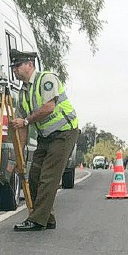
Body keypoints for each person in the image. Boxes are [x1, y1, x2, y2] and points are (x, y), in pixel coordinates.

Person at [8, 50, 80, 231]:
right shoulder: (23, 92)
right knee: (33, 175)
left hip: (64, 132)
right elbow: (22, 127)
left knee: (48, 177)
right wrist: (20, 157)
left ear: (30, 64)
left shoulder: (46, 80)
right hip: (46, 136)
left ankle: (37, 220)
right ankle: (47, 218)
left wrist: (25, 121)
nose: (15, 70)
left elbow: (49, 107)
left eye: (18, 66)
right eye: (13, 67)